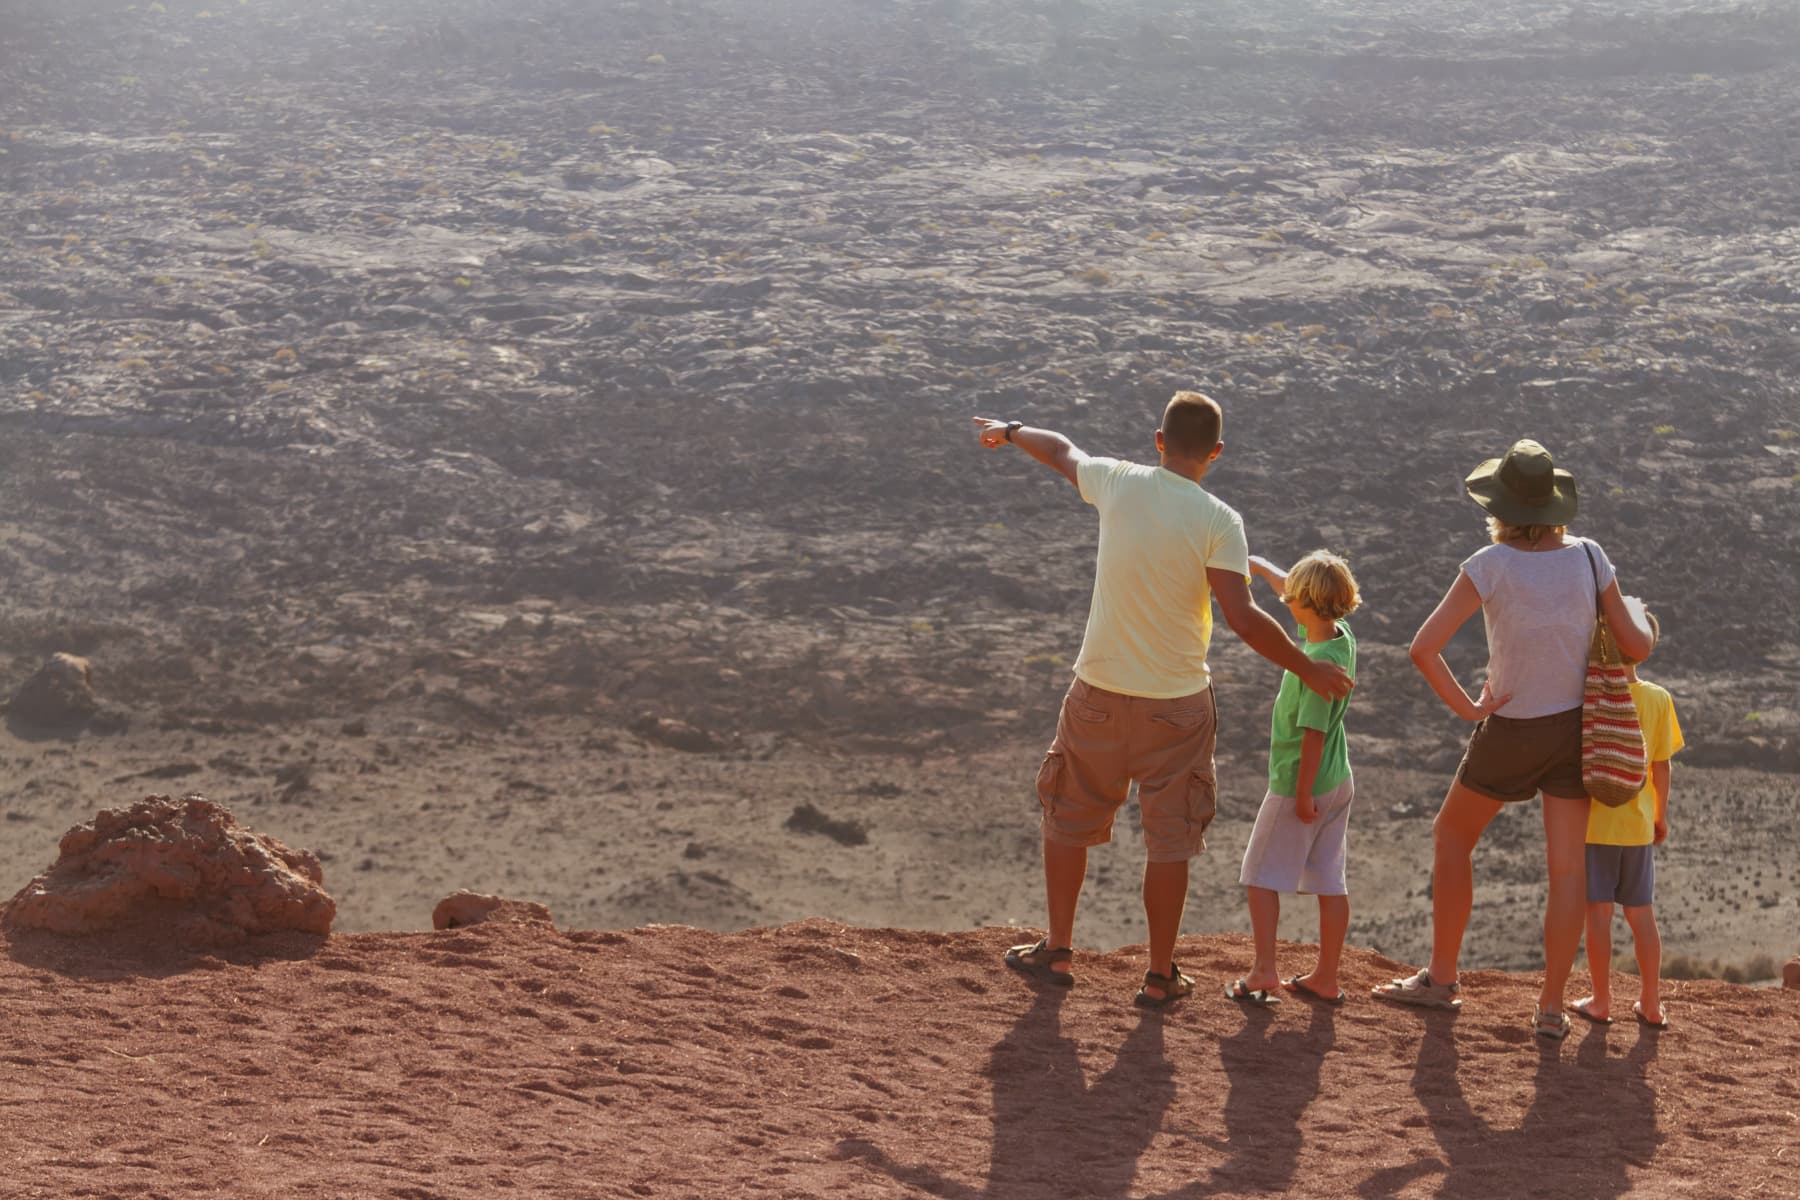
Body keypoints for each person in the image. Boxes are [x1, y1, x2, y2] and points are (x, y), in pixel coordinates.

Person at [972, 393, 1354, 1008]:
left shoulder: (1118, 481)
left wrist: (1010, 430)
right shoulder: (1220, 520)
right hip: (1177, 705)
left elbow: (1062, 450)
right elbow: (1243, 616)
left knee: (1068, 817)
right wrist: (1306, 667)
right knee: (1169, 840)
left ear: (1158, 440)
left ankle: (1060, 948)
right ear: (1216, 452)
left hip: (1098, 692)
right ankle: (1157, 975)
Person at [1373, 438, 1653, 1040]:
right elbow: (1637, 646)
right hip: (1576, 729)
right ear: (1554, 504)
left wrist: (1469, 707)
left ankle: (1442, 978)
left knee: (1452, 836)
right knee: (1567, 872)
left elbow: (1423, 648)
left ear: (1501, 505)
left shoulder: (1489, 564)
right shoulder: (1590, 557)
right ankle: (1550, 1009)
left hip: (1511, 728)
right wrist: (1633, 620)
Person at [1227, 551, 1361, 1008]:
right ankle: (1326, 977)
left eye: (1291, 597)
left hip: (1301, 783)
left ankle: (1265, 970)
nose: (1285, 599)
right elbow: (1299, 587)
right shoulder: (1339, 637)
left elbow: (1312, 735)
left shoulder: (1318, 665)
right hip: (1339, 778)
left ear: (1306, 603)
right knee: (1330, 880)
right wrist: (1262, 566)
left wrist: (1301, 794)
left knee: (1259, 875)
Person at [1571, 610, 1682, 1030]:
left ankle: (1601, 1001)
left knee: (1598, 916)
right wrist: (1660, 816)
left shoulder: (1593, 697)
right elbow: (1662, 767)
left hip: (1595, 825)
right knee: (1641, 916)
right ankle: (1651, 1004)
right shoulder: (1658, 699)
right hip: (1637, 827)